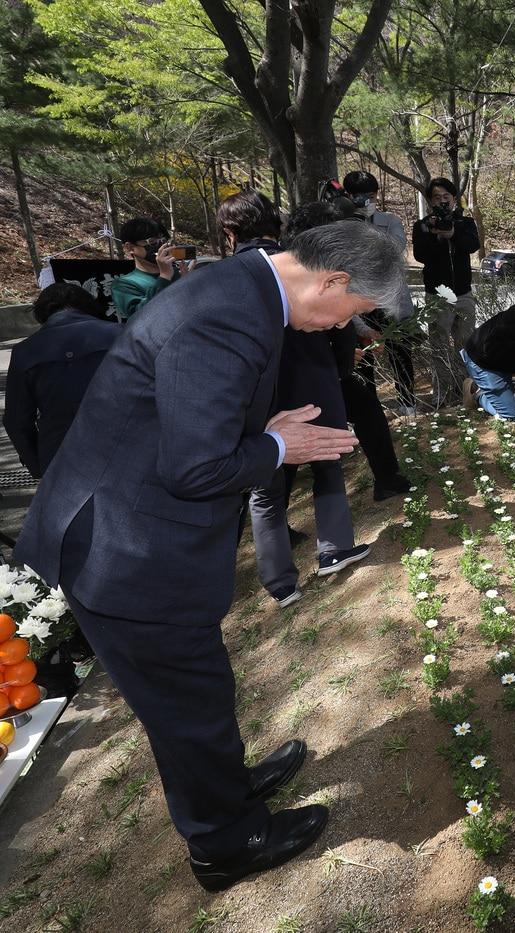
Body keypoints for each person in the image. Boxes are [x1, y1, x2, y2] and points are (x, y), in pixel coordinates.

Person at [14, 221, 407, 892]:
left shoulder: (241, 283)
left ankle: (227, 787)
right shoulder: (231, 318)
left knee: (195, 691)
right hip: (124, 547)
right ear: (333, 282)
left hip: (125, 525)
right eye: (355, 312)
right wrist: (279, 448)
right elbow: (195, 466)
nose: (342, 326)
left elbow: (191, 410)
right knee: (183, 703)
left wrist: (260, 431)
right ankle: (226, 843)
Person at [219, 190, 372, 606]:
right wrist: (341, 368)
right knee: (327, 465)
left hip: (259, 395)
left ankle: (280, 582)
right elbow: (339, 326)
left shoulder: (227, 277)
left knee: (265, 492)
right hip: (314, 381)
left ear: (230, 233)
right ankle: (334, 548)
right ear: (277, 224)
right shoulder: (302, 265)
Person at [286, 201, 412, 501]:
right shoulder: (296, 280)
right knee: (311, 447)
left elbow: (344, 311)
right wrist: (333, 353)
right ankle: (279, 521)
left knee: (367, 416)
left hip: (334, 369)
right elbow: (301, 337)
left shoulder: (331, 269)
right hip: (307, 376)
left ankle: (387, 478)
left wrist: (358, 334)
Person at [3, 283, 121, 478]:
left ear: (41, 313)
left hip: (60, 455)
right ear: (88, 305)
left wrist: (38, 465)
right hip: (125, 447)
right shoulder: (121, 333)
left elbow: (16, 420)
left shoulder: (25, 351)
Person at [341, 171, 418, 414]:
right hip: (356, 301)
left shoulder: (390, 222)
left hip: (391, 300)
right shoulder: (339, 225)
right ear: (348, 196)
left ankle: (408, 403)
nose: (366, 201)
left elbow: (395, 251)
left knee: (400, 353)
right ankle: (370, 407)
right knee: (363, 355)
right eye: (358, 196)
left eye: (371, 196)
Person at [412, 178, 481, 408]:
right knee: (439, 345)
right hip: (438, 295)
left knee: (465, 344)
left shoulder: (465, 223)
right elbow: (420, 255)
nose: (442, 201)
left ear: (453, 198)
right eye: (436, 198)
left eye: (446, 197)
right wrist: (435, 235)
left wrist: (452, 233)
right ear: (430, 201)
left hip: (463, 293)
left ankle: (465, 393)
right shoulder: (421, 225)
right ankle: (441, 396)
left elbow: (472, 245)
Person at [110, 217, 184, 321]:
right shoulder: (123, 284)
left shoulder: (179, 272)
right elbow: (139, 317)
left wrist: (188, 281)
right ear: (130, 248)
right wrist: (164, 276)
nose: (160, 245)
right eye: (152, 242)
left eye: (163, 240)